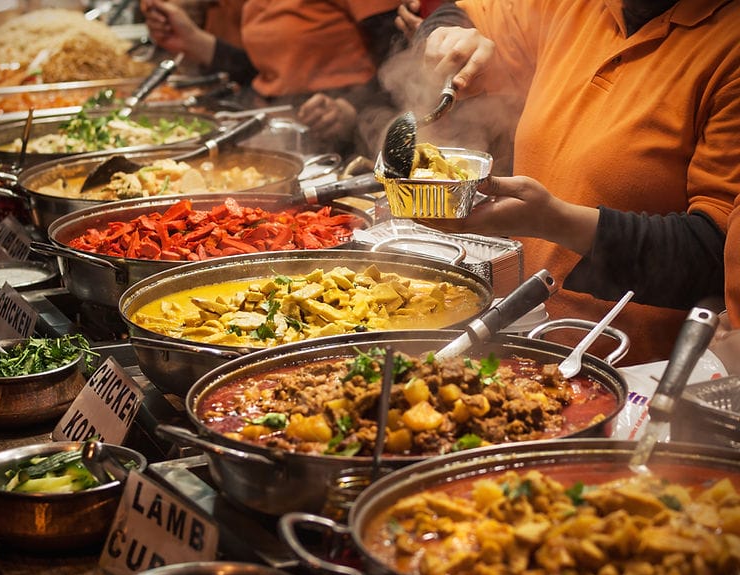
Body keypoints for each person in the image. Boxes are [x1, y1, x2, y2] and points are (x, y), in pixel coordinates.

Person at [403, 0, 740, 364]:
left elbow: (713, 256)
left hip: (629, 367)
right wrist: (445, 38)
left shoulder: (729, 46)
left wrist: (552, 222)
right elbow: (467, 12)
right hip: (517, 333)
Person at [140, 0, 402, 156]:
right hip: (279, 133)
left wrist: (351, 107)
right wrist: (192, 41)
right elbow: (264, 72)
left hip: (346, 144)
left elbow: (401, 54)